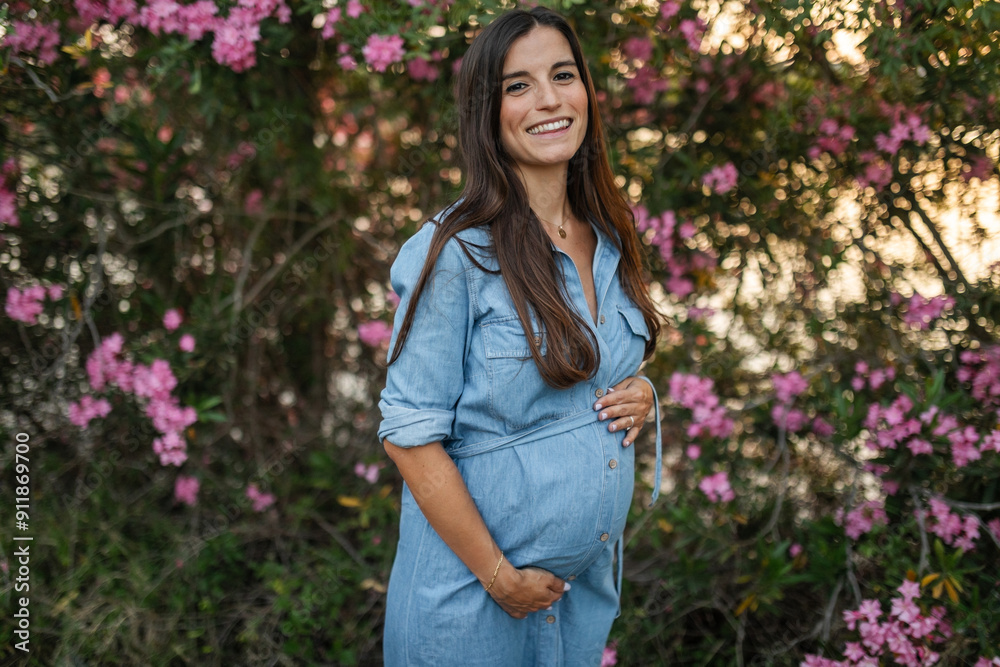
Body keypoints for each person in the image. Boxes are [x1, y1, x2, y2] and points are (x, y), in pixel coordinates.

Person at [377, 7, 664, 665]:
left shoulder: (608, 237)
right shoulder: (452, 253)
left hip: (576, 601)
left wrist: (642, 392)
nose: (549, 100)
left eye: (562, 75)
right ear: (487, 111)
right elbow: (409, 435)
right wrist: (499, 576)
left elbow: (597, 370)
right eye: (518, 85)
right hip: (472, 602)